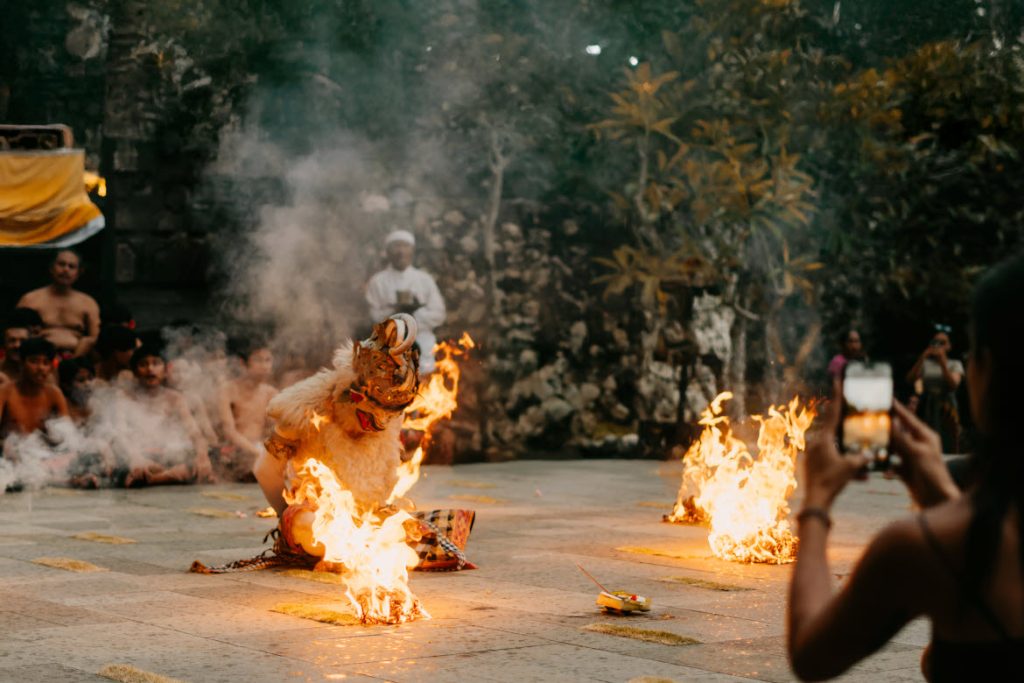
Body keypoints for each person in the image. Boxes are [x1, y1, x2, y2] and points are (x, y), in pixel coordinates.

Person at [787, 252, 1024, 682]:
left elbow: (811, 654)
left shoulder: (922, 546)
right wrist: (943, 498)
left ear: (985, 368)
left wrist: (816, 504)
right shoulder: (962, 541)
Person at [117, 345, 214, 486]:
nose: (150, 369)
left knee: (203, 460)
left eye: (156, 363)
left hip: (168, 456)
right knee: (119, 461)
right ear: (135, 372)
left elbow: (195, 434)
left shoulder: (175, 398)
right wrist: (135, 457)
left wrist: (202, 457)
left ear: (165, 370)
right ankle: (168, 476)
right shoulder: (124, 397)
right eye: (143, 364)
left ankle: (154, 478)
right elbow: (120, 434)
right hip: (139, 456)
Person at [365, 229, 446, 374]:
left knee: (423, 383)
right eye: (396, 246)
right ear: (388, 252)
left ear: (412, 251)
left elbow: (439, 314)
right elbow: (373, 316)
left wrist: (414, 315)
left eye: (405, 246)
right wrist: (395, 313)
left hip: (422, 341)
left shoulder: (424, 279)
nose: (401, 252)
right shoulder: (377, 281)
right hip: (388, 345)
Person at [17, 250, 101, 358]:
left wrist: (76, 359)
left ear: (79, 272)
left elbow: (96, 339)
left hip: (77, 360)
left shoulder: (88, 303)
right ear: (51, 268)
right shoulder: (30, 299)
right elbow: (14, 333)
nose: (66, 270)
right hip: (39, 359)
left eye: (71, 266)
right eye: (61, 264)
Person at [217, 338, 278, 481]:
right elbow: (229, 431)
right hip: (236, 451)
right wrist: (257, 453)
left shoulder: (271, 392)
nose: (264, 365)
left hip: (261, 448)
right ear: (243, 363)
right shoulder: (227, 390)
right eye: (258, 360)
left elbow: (275, 429)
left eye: (268, 360)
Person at [906, 325, 964, 453]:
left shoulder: (954, 364)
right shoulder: (926, 364)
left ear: (949, 346)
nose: (939, 346)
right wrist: (922, 357)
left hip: (947, 406)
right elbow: (910, 380)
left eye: (943, 343)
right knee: (928, 440)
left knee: (948, 440)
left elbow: (953, 385)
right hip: (928, 405)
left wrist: (943, 363)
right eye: (936, 342)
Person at [0, 337, 69, 440]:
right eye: (34, 361)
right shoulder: (4, 392)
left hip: (45, 452)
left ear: (51, 368)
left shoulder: (54, 394)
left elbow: (68, 435)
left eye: (46, 363)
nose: (41, 368)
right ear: (22, 363)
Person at [0, 308, 42, 385]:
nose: (17, 345)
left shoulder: (41, 371)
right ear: (4, 344)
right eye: (12, 340)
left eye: (23, 341)